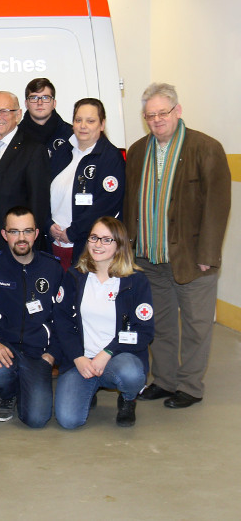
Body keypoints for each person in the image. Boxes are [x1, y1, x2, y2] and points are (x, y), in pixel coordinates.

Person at [127, 83, 231, 409]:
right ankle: (164, 380)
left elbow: (217, 206)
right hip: (150, 257)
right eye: (150, 115)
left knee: (197, 325)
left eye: (163, 113)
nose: (157, 120)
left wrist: (208, 255)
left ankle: (190, 386)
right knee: (160, 325)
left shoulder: (205, 147)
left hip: (192, 258)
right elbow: (131, 202)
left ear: (178, 111)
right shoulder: (139, 150)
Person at [54, 217, 154, 429]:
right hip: (81, 361)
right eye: (94, 238)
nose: (98, 244)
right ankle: (89, 388)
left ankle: (128, 398)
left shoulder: (136, 281)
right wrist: (77, 357)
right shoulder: (74, 276)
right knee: (68, 421)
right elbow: (61, 322)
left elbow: (144, 331)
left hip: (117, 358)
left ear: (120, 245)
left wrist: (107, 352)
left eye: (107, 240)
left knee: (131, 374)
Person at [0, 207, 63, 427]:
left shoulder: (53, 269)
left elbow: (64, 319)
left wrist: (52, 355)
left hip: (38, 353)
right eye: (14, 231)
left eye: (27, 231)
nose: (21, 238)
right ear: (4, 234)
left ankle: (27, 384)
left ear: (36, 233)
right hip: (3, 347)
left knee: (37, 419)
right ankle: (8, 393)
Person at [48, 98, 125, 270]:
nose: (83, 126)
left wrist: (72, 233)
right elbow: (43, 192)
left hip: (87, 248)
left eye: (90, 121)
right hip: (54, 244)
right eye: (78, 120)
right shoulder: (62, 152)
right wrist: (48, 224)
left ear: (102, 124)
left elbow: (106, 204)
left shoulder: (110, 158)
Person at [0, 91, 50, 259]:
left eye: (4, 111)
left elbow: (38, 205)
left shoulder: (33, 150)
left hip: (14, 249)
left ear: (18, 115)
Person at [18, 78, 73, 155]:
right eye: (34, 98)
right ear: (26, 104)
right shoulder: (15, 136)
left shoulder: (71, 134)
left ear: (54, 103)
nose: (39, 103)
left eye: (45, 98)